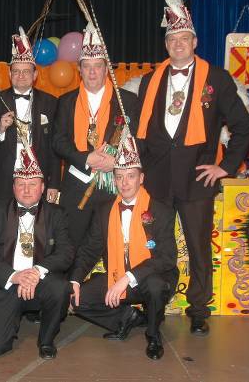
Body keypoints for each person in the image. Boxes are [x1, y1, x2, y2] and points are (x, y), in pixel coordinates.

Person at [135, 0, 249, 336]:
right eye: (172, 39)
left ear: (195, 41)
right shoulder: (150, 80)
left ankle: (198, 309)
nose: (177, 44)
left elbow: (244, 127)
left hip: (197, 179)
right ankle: (156, 303)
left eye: (183, 38)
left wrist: (225, 167)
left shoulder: (217, 78)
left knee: (199, 249)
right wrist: (138, 168)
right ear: (166, 44)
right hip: (156, 180)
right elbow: (140, 132)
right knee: (158, 247)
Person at [70, 132, 178, 360]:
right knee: (76, 300)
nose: (125, 183)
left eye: (130, 176)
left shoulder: (161, 211)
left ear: (141, 178)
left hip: (150, 276)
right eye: (119, 177)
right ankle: (127, 318)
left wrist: (129, 277)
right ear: (114, 179)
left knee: (156, 286)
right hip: (116, 274)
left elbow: (167, 258)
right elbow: (89, 250)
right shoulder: (104, 211)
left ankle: (153, 334)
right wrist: (75, 280)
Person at [0, 148, 74, 359]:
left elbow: (66, 252)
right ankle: (9, 318)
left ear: (43, 187)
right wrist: (14, 276)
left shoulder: (57, 214)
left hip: (40, 282)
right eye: (21, 184)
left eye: (33, 184)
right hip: (5, 284)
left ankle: (46, 340)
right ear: (13, 187)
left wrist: (36, 271)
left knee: (60, 288)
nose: (26, 190)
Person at [52, 22, 139, 251]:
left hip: (114, 187)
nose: (92, 72)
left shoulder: (127, 101)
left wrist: (117, 161)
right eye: (87, 66)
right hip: (75, 187)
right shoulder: (66, 101)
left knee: (113, 248)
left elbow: (139, 141)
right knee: (71, 249)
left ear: (106, 69)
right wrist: (85, 158)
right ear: (79, 69)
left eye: (98, 66)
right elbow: (58, 141)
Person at [0, 27, 60, 203]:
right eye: (16, 71)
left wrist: (54, 183)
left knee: (38, 220)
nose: (21, 75)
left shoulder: (51, 102)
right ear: (9, 74)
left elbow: (55, 146)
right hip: (3, 179)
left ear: (35, 75)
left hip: (38, 179)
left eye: (26, 71)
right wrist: (0, 129)